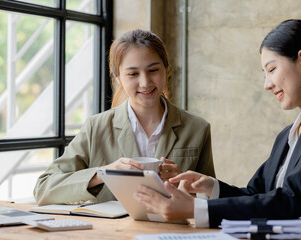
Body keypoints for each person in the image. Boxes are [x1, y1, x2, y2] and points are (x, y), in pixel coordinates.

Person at [134, 19, 301, 231]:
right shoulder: (288, 135)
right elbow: (257, 194)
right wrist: (211, 186)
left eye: (272, 69)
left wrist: (196, 209)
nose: (267, 85)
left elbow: (292, 201)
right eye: (265, 74)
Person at [34, 29, 215, 206]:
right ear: (118, 78)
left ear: (166, 69)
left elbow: (213, 199)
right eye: (133, 74)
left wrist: (186, 183)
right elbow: (43, 189)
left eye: (153, 70)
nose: (145, 82)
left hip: (173, 232)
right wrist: (103, 173)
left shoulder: (197, 128)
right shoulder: (95, 127)